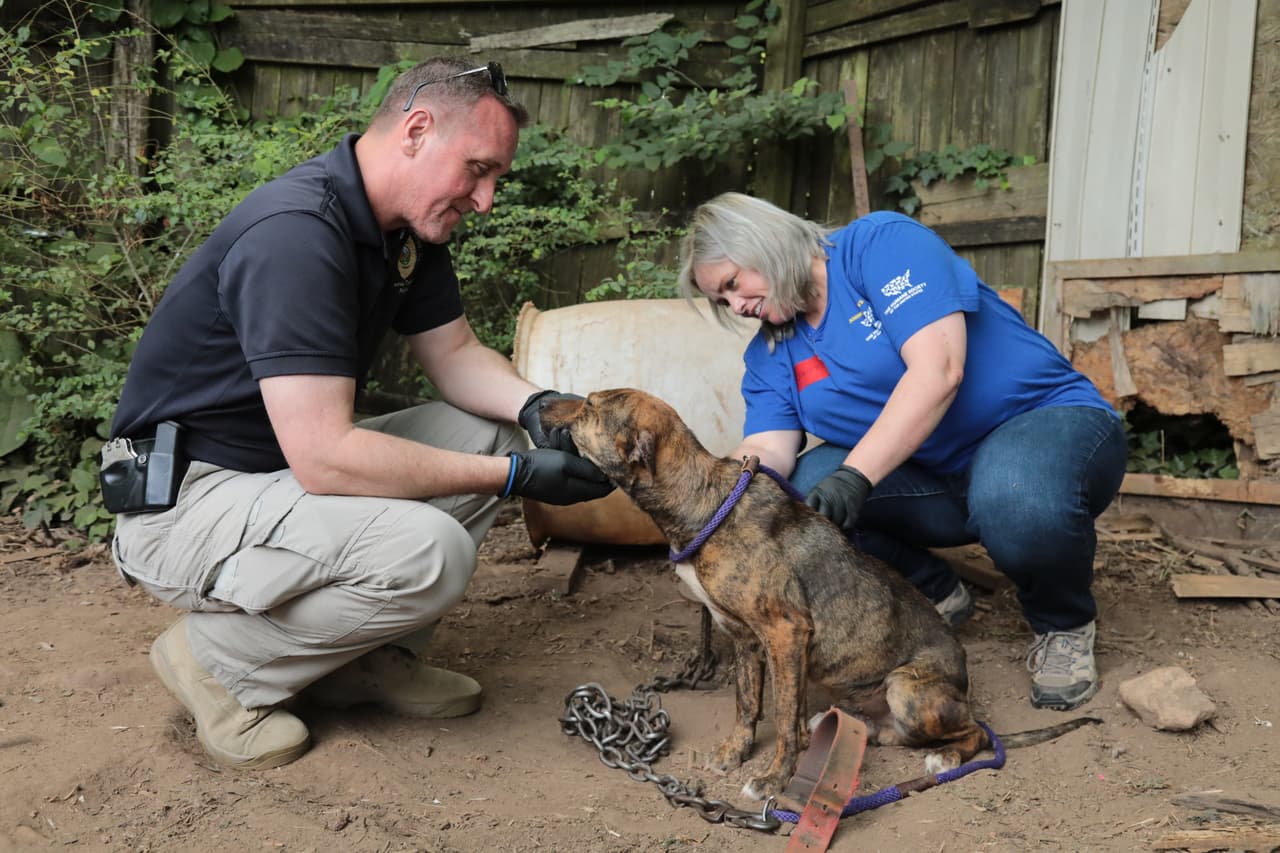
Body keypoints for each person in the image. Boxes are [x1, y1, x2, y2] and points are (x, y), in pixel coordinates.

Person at [102, 57, 612, 770]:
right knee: (432, 549)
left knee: (492, 426)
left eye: (495, 177)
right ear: (416, 130)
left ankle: (365, 659)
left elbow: (456, 352)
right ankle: (217, 662)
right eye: (478, 169)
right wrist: (517, 474)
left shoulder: (403, 228)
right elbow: (327, 455)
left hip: (272, 471)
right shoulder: (298, 235)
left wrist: (535, 408)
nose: (486, 198)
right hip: (185, 502)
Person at [678, 192, 1128, 711]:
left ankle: (1063, 623)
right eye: (722, 301)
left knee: (1014, 491)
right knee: (797, 494)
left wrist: (856, 475)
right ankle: (931, 591)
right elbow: (765, 448)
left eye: (733, 284)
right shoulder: (772, 352)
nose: (736, 306)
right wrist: (710, 511)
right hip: (938, 479)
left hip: (1046, 424)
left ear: (766, 243)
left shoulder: (878, 246)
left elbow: (939, 370)